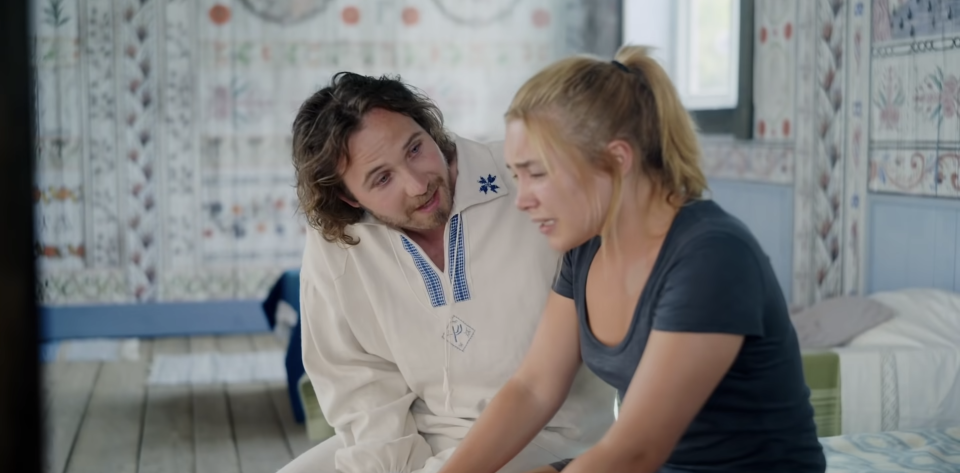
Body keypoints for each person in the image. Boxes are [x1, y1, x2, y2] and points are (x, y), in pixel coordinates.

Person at [435, 45, 827, 473]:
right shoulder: (584, 249)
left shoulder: (712, 256)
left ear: (617, 160)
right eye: (516, 176)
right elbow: (533, 388)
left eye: (538, 172)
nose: (522, 200)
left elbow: (636, 450)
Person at [277, 72, 616, 473]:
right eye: (382, 178)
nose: (419, 183)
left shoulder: (524, 182)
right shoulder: (337, 240)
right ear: (349, 197)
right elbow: (356, 380)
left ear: (428, 127)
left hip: (543, 436)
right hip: (414, 434)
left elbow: (545, 384)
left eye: (416, 148)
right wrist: (387, 466)